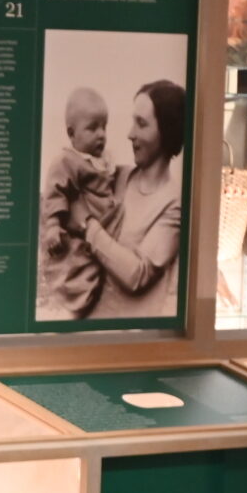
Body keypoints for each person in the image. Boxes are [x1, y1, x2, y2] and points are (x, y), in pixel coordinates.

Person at [83, 80, 185, 322]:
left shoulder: (175, 203)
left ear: (166, 132)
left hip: (131, 338)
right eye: (133, 121)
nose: (130, 134)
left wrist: (88, 227)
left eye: (141, 124)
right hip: (88, 326)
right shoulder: (118, 177)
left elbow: (137, 274)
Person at [40, 86, 120, 320]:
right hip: (78, 239)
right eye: (92, 127)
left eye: (104, 127)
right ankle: (70, 307)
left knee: (100, 276)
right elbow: (55, 191)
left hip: (101, 232)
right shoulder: (67, 161)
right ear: (72, 133)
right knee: (76, 274)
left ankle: (87, 306)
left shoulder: (102, 161)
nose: (101, 134)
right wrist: (54, 225)